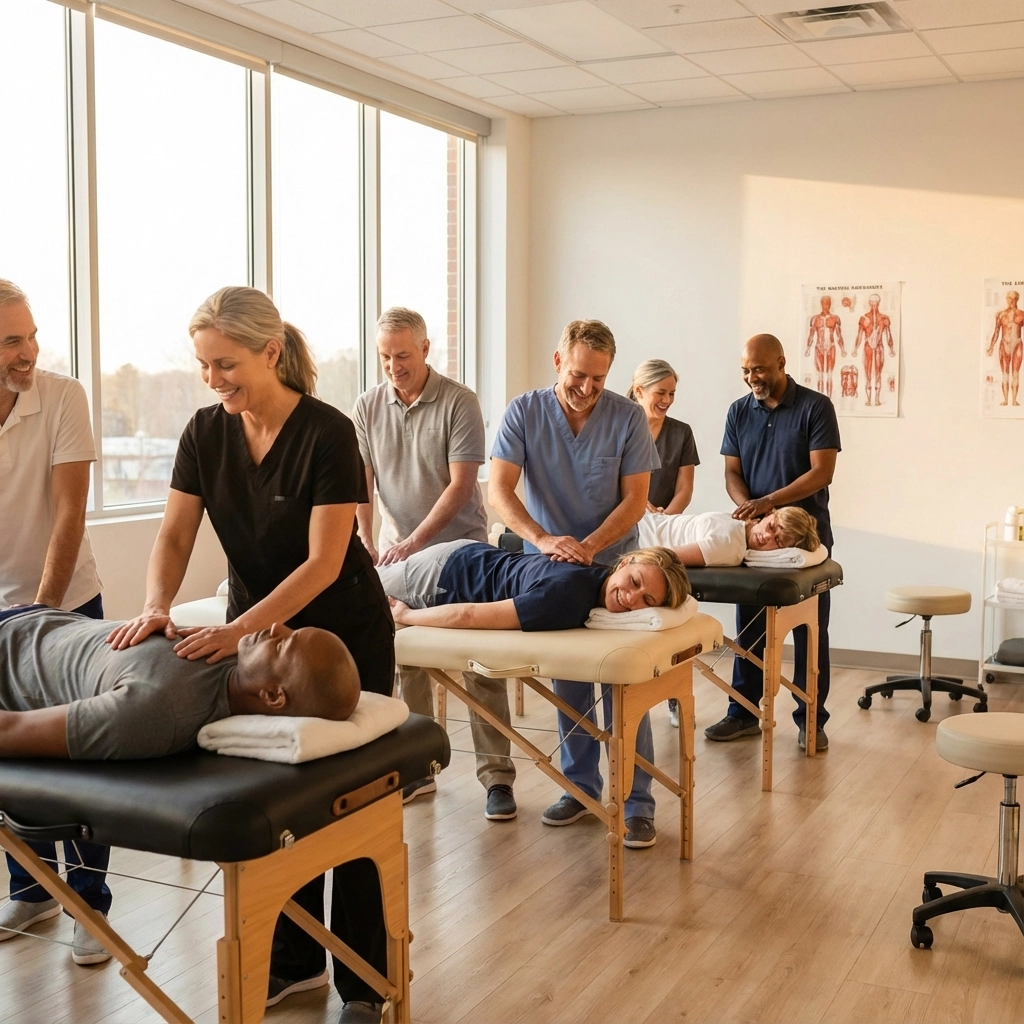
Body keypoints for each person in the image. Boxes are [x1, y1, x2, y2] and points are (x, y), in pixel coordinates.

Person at [107, 286, 395, 1024]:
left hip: (342, 636)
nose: (213, 380)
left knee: (350, 806)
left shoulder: (328, 433)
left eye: (225, 364)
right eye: (204, 365)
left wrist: (237, 633)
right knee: (276, 799)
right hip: (261, 640)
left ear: (271, 352)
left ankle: (365, 981)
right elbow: (175, 534)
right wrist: (157, 605)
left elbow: (324, 563)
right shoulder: (205, 433)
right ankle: (294, 962)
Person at [489, 319, 662, 848]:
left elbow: (635, 499)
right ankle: (580, 789)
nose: (587, 388)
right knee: (570, 680)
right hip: (550, 565)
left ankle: (636, 802)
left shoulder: (627, 418)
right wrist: (543, 540)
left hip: (614, 565)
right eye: (579, 375)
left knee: (624, 684)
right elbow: (500, 490)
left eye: (599, 379)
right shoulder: (524, 412)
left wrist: (589, 546)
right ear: (558, 361)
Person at [353, 308, 512, 821]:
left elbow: (462, 485)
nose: (393, 366)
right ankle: (417, 770)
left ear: (425, 348)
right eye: (384, 357)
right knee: (407, 663)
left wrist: (415, 541)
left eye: (402, 355)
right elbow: (362, 483)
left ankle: (497, 777)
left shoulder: (459, 401)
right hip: (396, 555)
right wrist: (364, 537)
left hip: (461, 554)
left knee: (480, 667)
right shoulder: (367, 406)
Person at [0, 279, 111, 966]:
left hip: (66, 605)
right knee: (11, 758)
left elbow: (70, 514)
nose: (30, 351)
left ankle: (89, 902)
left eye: (32, 335)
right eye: (12, 340)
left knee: (81, 757)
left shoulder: (64, 396)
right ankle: (32, 887)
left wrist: (39, 615)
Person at [705, 333, 840, 752]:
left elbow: (822, 472)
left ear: (781, 363)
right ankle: (743, 713)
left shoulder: (816, 407)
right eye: (745, 371)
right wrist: (748, 508)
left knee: (809, 633)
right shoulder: (738, 411)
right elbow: (732, 472)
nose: (752, 378)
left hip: (805, 540)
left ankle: (811, 719)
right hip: (758, 540)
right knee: (750, 629)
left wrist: (770, 503)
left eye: (759, 369)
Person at [0, 607, 360, 760]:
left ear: (272, 695)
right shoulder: (232, 656)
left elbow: (12, 730)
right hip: (33, 615)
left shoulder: (157, 711)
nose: (274, 627)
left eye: (282, 645)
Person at [380, 540, 690, 630]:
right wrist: (406, 616)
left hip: (471, 554)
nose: (631, 598)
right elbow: (467, 614)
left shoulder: (596, 574)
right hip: (444, 576)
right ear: (623, 564)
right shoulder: (565, 597)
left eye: (647, 601)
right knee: (359, 589)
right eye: (634, 582)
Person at [628, 359, 699, 514]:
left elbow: (684, 489)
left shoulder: (682, 433)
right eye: (660, 393)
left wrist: (664, 519)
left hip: (665, 521)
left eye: (671, 393)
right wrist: (638, 506)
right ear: (639, 391)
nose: (667, 400)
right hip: (622, 519)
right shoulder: (618, 429)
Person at [638, 506, 820, 566]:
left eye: (778, 541)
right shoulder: (738, 523)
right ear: (769, 514)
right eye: (771, 527)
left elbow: (662, 556)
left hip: (636, 537)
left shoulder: (730, 545)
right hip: (641, 521)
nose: (766, 536)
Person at [853, 294, 895, 408]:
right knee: (867, 374)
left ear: (878, 303)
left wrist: (891, 348)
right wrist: (855, 348)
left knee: (878, 373)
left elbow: (888, 335)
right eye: (872, 303)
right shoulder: (864, 318)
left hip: (879, 347)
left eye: (876, 303)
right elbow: (859, 335)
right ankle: (868, 399)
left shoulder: (884, 319)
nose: (874, 306)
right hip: (867, 347)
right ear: (869, 303)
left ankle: (876, 399)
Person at [987, 289, 1024, 407]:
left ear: (1017, 299)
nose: (1012, 301)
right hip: (1004, 345)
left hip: (1017, 345)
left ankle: (1014, 400)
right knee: (1005, 374)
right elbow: (996, 332)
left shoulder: (1022, 314)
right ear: (1006, 299)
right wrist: (991, 346)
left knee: (1016, 373)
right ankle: (1006, 400)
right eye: (1009, 298)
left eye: (1014, 298)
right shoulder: (1001, 315)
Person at [805, 295, 845, 399]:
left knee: (829, 375)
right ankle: (820, 399)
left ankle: (829, 399)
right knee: (820, 375)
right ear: (821, 304)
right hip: (819, 347)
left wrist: (842, 349)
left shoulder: (835, 318)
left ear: (830, 304)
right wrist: (808, 348)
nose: (826, 305)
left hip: (831, 347)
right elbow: (811, 335)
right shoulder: (815, 319)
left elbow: (839, 335)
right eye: (824, 303)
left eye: (828, 303)